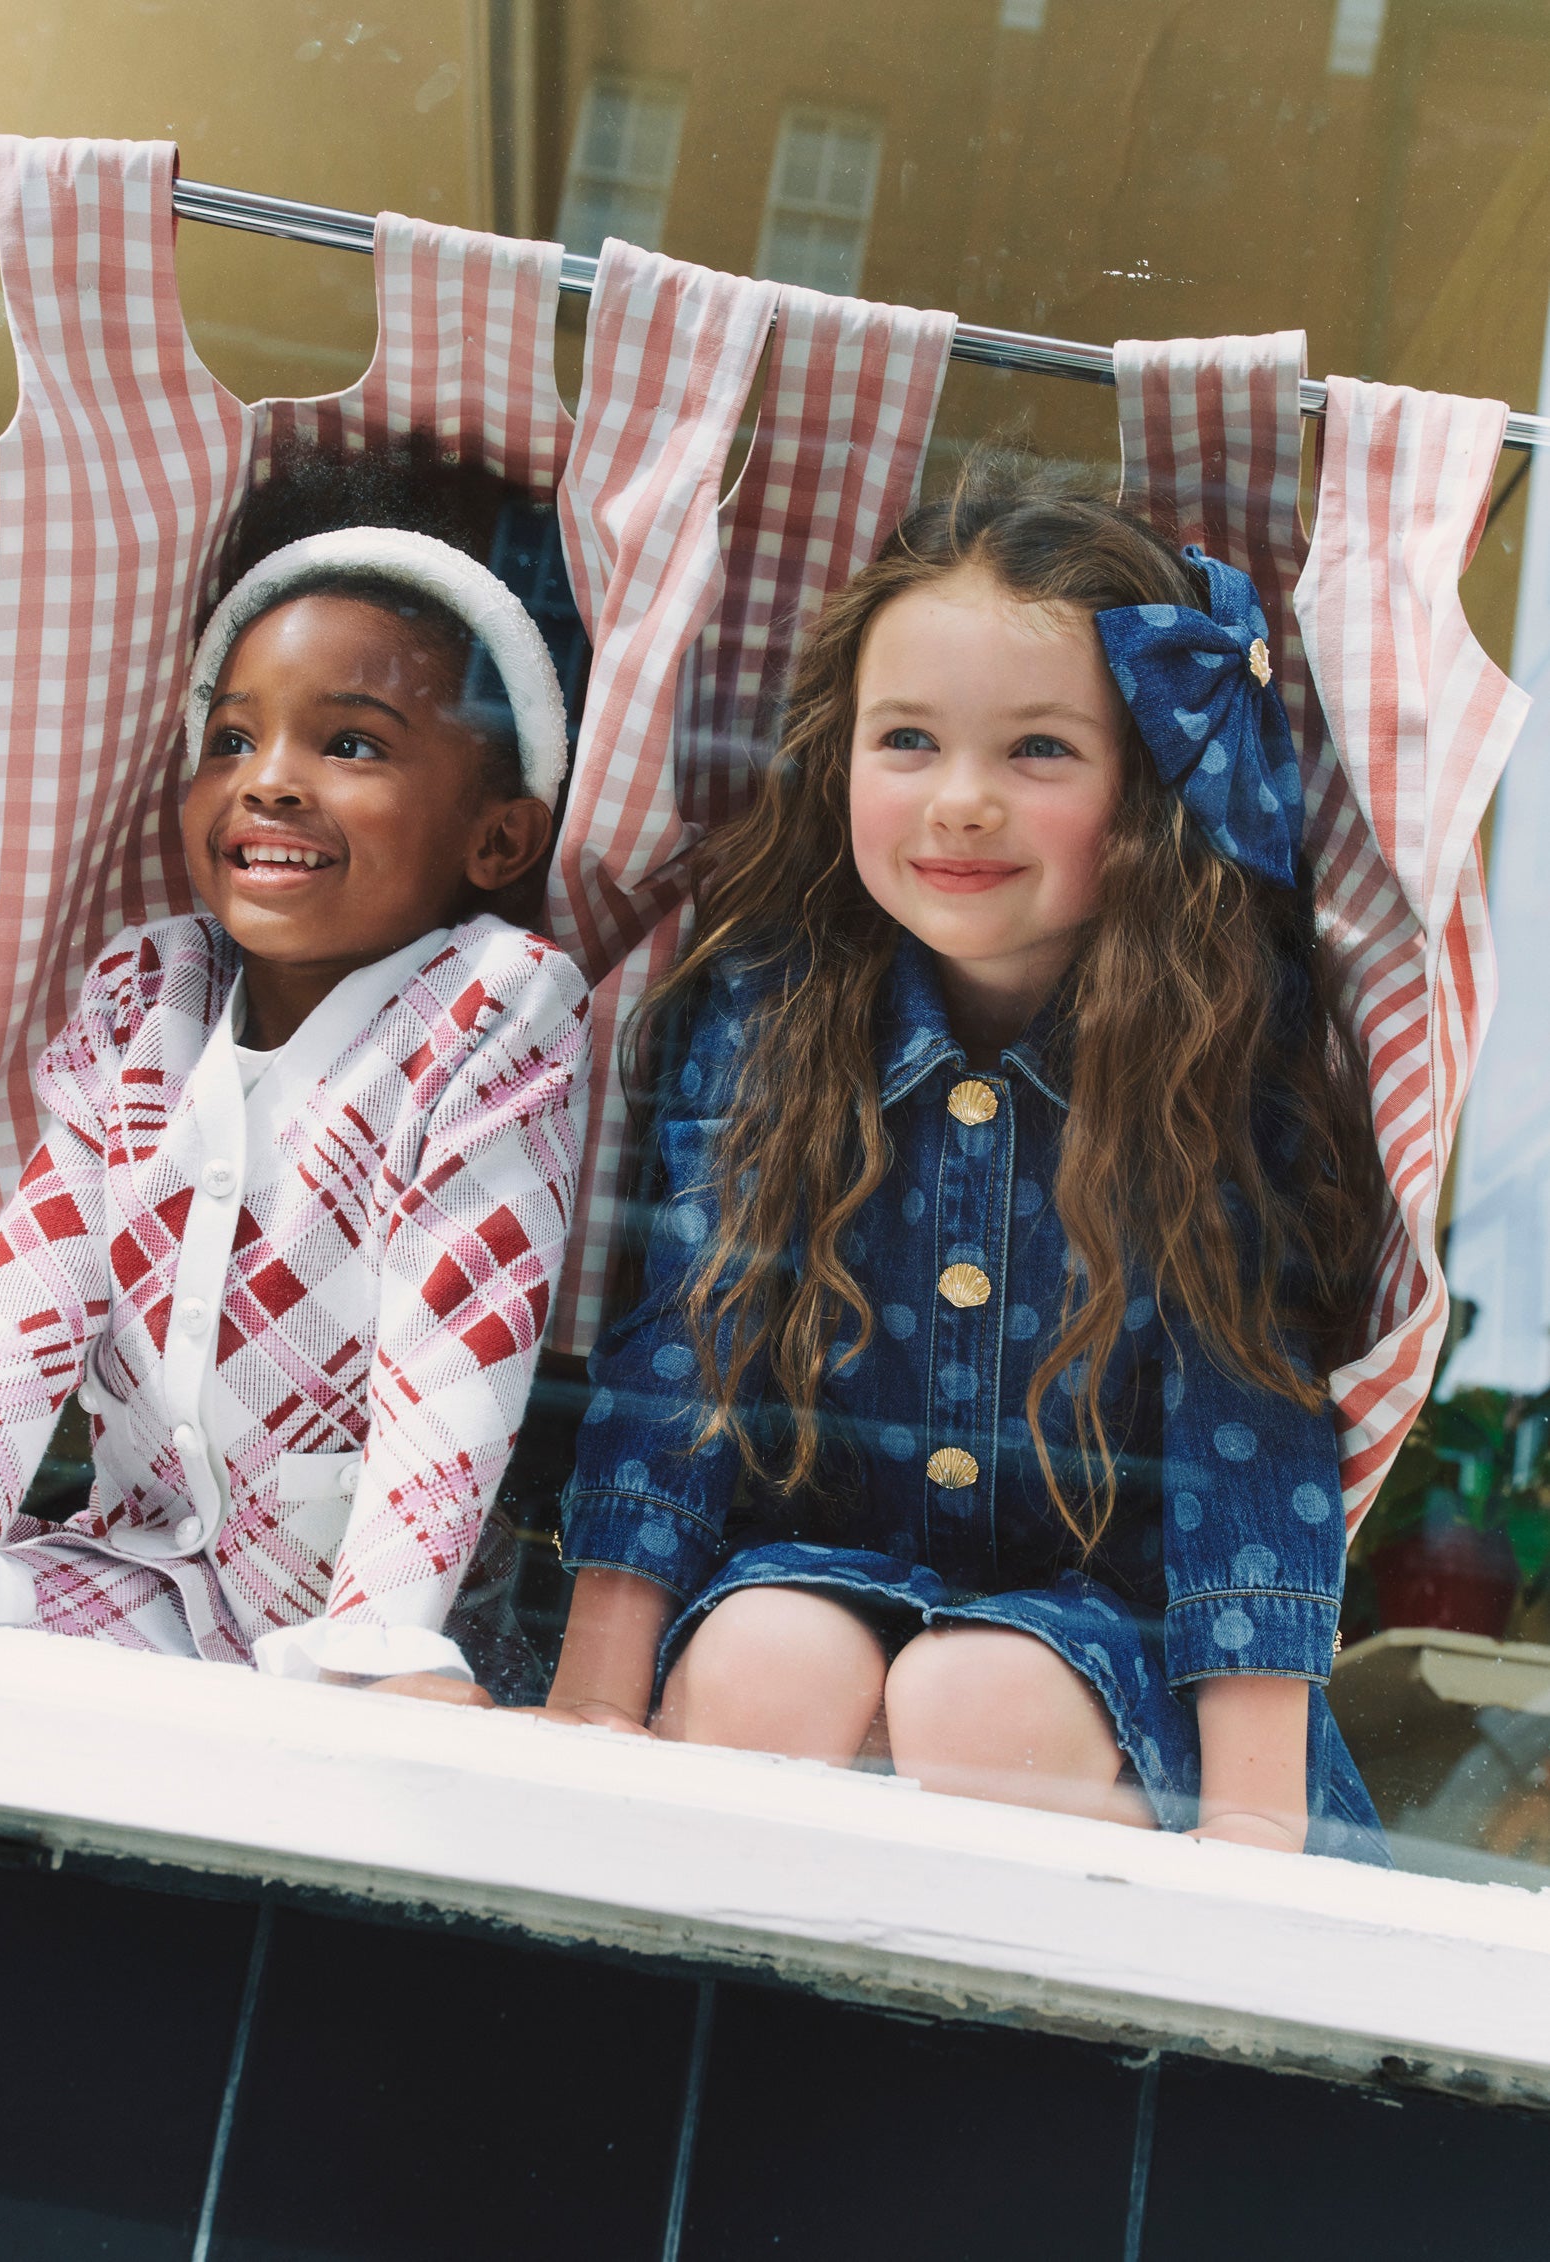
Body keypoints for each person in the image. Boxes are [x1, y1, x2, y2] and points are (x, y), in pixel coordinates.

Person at [543, 454, 1389, 1855]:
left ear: (1146, 788)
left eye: (1037, 750)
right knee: (766, 1662)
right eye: (907, 741)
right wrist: (591, 1695)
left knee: (977, 1693)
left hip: (1106, 1648)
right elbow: (679, 1358)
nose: (960, 801)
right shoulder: (773, 1009)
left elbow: (1249, 1435)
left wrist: (1254, 1827)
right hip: (818, 1572)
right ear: (840, 756)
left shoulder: (1205, 1053)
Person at [0, 441, 590, 1706]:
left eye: (352, 745)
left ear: (499, 832)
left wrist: (380, 1644)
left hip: (367, 1624)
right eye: (232, 736)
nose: (267, 779)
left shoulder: (491, 1015)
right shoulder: (147, 999)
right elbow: (20, 1304)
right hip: (143, 1572)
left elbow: (460, 1347)